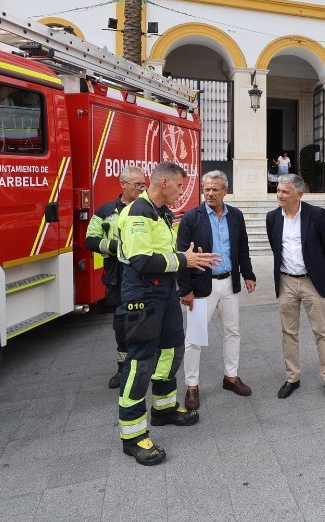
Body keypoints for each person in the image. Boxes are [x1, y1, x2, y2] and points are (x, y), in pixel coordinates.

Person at [115, 161, 220, 466]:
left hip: (164, 293)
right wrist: (183, 260)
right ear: (163, 183)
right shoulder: (137, 212)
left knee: (171, 351)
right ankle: (132, 436)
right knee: (141, 362)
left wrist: (184, 262)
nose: (181, 192)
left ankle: (163, 409)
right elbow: (140, 259)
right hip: (143, 296)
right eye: (178, 186)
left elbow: (166, 254)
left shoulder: (162, 213)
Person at [177, 170, 256, 410]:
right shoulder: (192, 218)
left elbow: (242, 246)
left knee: (232, 332)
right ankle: (192, 386)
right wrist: (185, 289)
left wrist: (248, 274)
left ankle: (231, 377)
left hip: (229, 284)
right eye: (207, 188)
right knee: (195, 338)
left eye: (215, 189)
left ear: (225, 191)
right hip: (202, 286)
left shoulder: (236, 215)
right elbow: (182, 255)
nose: (210, 193)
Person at [265, 174, 325, 403]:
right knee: (289, 333)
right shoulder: (272, 218)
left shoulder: (316, 215)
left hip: (311, 282)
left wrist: (318, 275)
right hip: (286, 281)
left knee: (321, 332)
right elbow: (275, 246)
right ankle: (292, 377)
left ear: (298, 194)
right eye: (278, 190)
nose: (279, 195)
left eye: (285, 192)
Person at [84, 164, 147, 389]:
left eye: (143, 184)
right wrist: (118, 246)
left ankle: (145, 364)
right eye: (137, 184)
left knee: (145, 321)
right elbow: (90, 239)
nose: (142, 189)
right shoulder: (105, 211)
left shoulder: (149, 209)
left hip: (144, 277)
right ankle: (123, 368)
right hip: (117, 278)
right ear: (123, 184)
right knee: (121, 325)